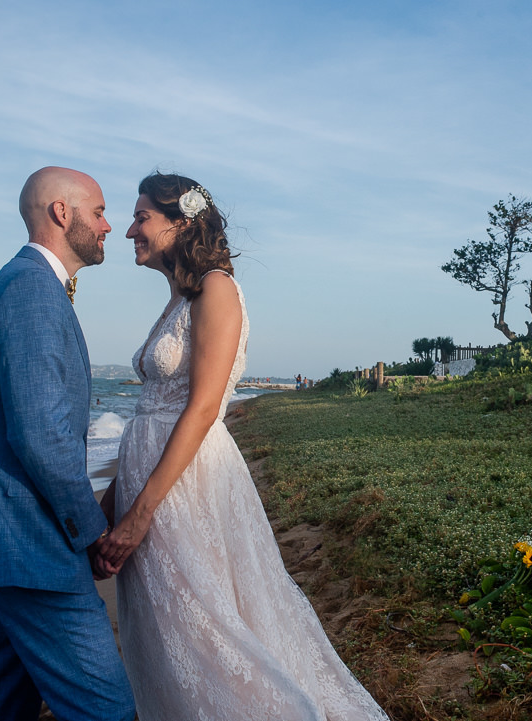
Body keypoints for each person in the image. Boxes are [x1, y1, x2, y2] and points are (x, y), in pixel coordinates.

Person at [96, 172, 389, 720]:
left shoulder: (216, 288)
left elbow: (204, 408)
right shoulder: (179, 298)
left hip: (186, 488)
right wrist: (112, 503)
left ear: (181, 222)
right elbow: (152, 414)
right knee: (166, 635)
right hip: (155, 482)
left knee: (206, 630)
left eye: (142, 217)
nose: (130, 229)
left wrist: (138, 515)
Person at [0, 167, 135, 721]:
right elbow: (42, 438)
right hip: (30, 544)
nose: (109, 225)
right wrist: (91, 532)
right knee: (107, 710)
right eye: (98, 212)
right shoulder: (32, 293)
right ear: (61, 213)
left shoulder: (17, 284)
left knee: (0, 705)